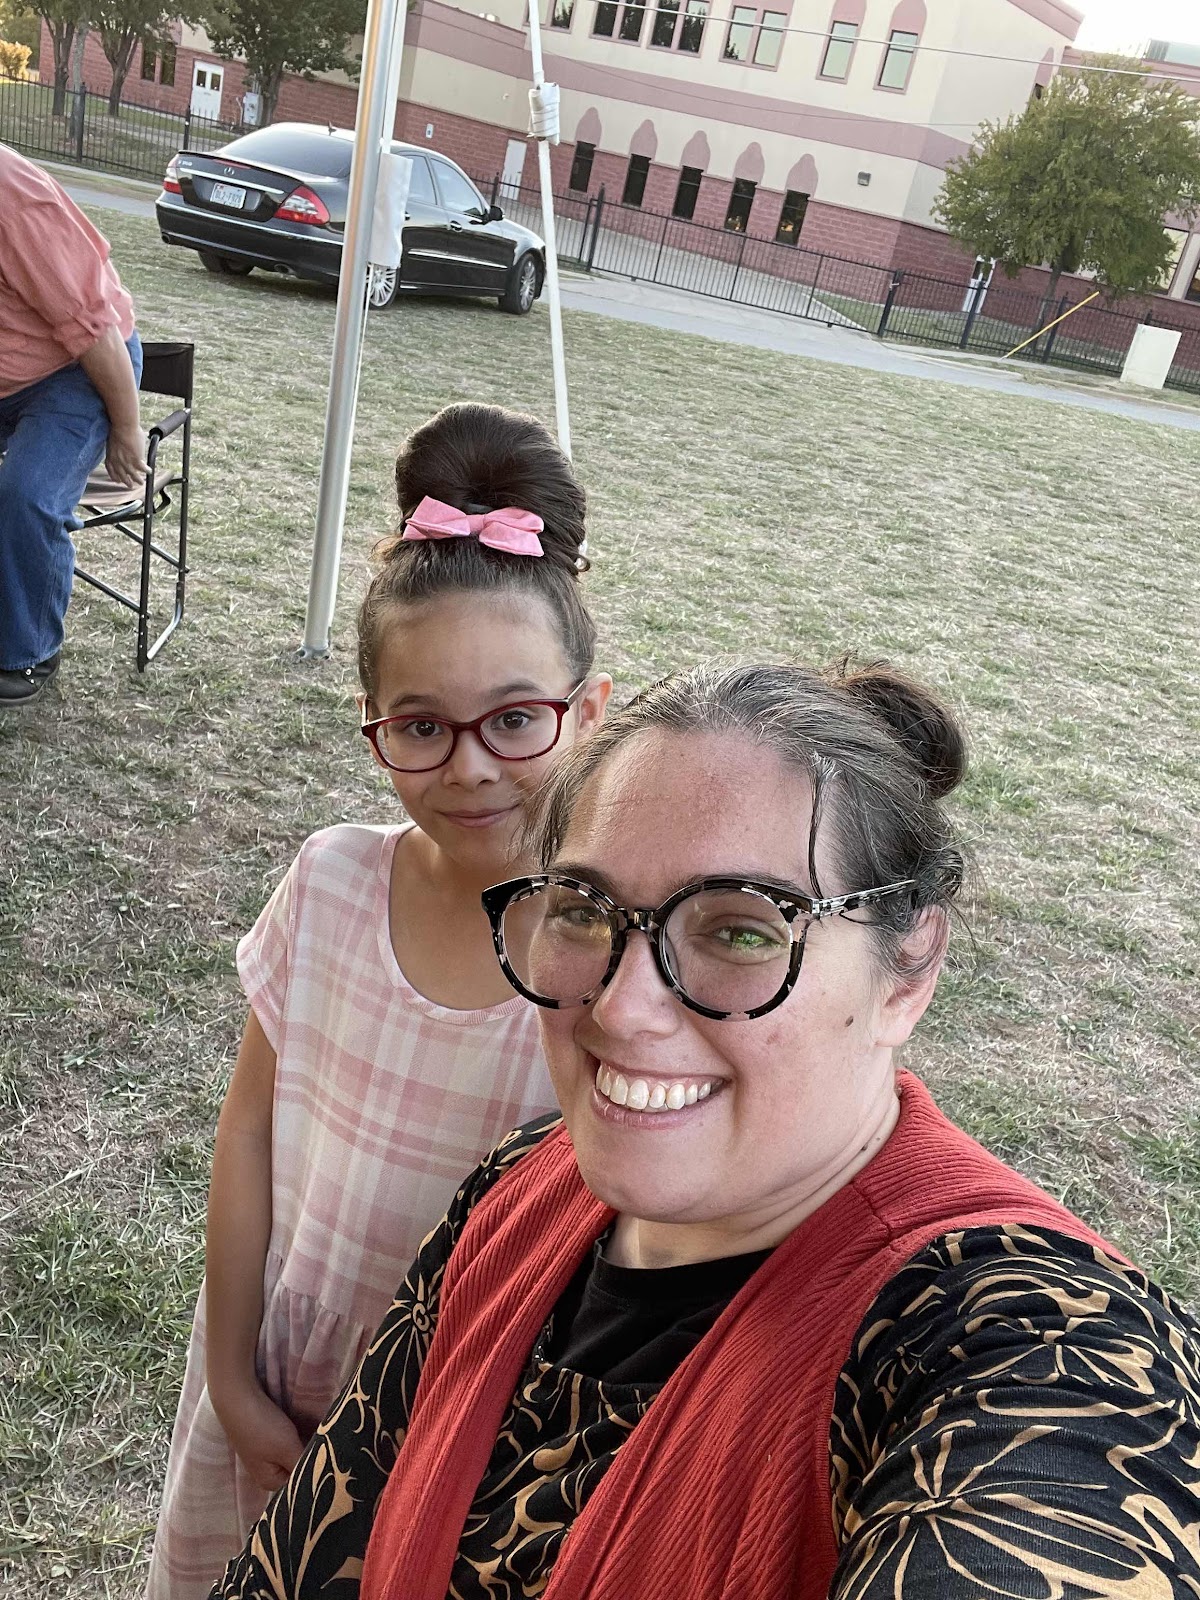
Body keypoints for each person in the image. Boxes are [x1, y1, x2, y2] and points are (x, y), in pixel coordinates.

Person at [214, 658, 1200, 1600]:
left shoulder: (1041, 1350)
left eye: (740, 929)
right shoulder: (519, 1191)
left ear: (908, 971)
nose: (622, 1006)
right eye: (584, 911)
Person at [147, 403, 612, 1599]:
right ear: (374, 731)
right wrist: (232, 1379)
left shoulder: (610, 963)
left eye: (517, 717)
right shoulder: (330, 880)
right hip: (273, 1372)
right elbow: (250, 1129)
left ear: (593, 710)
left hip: (463, 1442)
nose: (470, 764)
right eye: (421, 726)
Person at [0, 144, 145, 705]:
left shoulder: (14, 200)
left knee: (27, 494)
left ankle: (28, 652)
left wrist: (126, 427)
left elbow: (92, 326)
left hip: (77, 369)